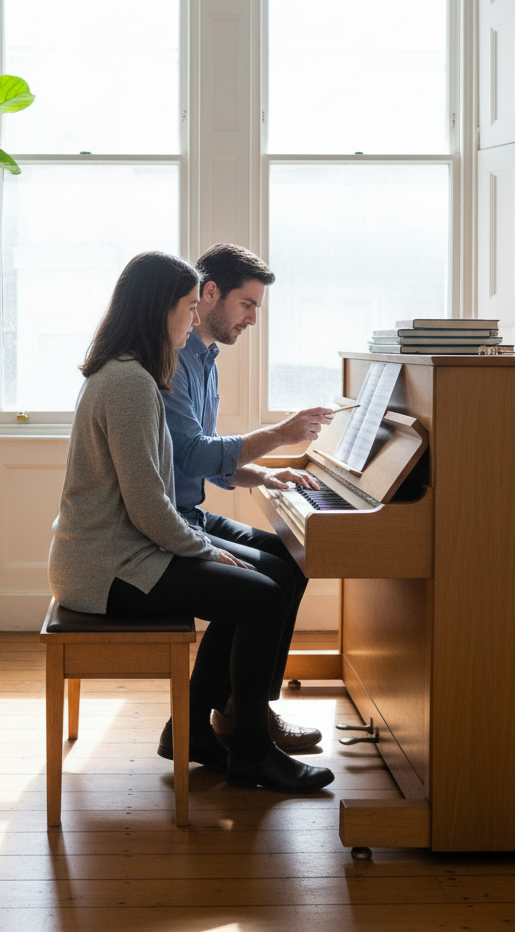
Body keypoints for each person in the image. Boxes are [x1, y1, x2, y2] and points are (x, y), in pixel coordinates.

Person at [48, 252, 334, 794]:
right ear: (162, 310)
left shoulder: (127, 374)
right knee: (264, 594)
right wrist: (203, 548)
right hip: (108, 566)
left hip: (121, 551)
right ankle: (250, 750)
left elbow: (150, 496)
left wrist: (204, 543)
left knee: (262, 583)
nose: (191, 317)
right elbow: (148, 507)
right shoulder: (131, 383)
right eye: (186, 306)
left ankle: (197, 731)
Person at [161, 243, 333, 751]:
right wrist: (282, 433)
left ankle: (239, 706)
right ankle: (234, 716)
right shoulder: (173, 360)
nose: (253, 319)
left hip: (190, 508)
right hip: (171, 519)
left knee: (291, 557)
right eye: (248, 304)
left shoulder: (206, 359)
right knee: (269, 580)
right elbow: (194, 455)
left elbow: (209, 461)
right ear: (210, 293)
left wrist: (263, 476)